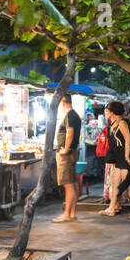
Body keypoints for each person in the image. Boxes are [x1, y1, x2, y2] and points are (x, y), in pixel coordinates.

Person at [101, 101, 130, 219]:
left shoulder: (123, 123)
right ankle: (111, 207)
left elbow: (128, 141)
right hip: (116, 159)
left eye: (107, 111)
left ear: (112, 112)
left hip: (124, 160)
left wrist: (126, 156)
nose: (105, 113)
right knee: (115, 185)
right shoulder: (113, 123)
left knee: (128, 187)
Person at [53, 93, 81, 223]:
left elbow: (70, 132)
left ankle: (66, 214)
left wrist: (65, 149)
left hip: (67, 154)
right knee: (73, 183)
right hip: (72, 152)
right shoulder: (75, 115)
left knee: (68, 184)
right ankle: (72, 213)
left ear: (63, 102)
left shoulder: (70, 115)